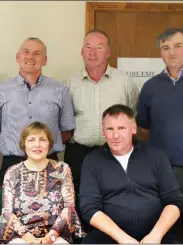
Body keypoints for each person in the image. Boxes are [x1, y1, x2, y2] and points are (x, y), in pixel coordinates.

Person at [135, 28, 183, 244]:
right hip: (161, 171)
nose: (171, 52)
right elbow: (143, 128)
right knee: (166, 231)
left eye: (177, 46)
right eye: (165, 48)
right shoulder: (151, 87)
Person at [63, 29, 139, 226]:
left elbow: (133, 114)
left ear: (108, 52)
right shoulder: (70, 83)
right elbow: (63, 119)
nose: (92, 52)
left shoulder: (124, 82)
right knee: (79, 201)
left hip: (114, 153)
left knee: (115, 199)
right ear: (81, 52)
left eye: (99, 47)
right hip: (79, 153)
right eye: (88, 47)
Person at [80, 104, 183, 244]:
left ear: (133, 129)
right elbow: (89, 208)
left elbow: (174, 200)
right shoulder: (92, 161)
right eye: (110, 129)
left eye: (121, 128)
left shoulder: (155, 156)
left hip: (156, 233)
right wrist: (124, 239)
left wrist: (156, 236)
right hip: (110, 235)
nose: (115, 135)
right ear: (103, 131)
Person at [0, 37, 75, 185]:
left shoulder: (60, 90)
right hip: (12, 164)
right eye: (26, 52)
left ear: (45, 60)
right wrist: (15, 144)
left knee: (51, 208)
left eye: (37, 53)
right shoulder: (0, 90)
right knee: (11, 208)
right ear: (17, 57)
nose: (30, 57)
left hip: (50, 166)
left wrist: (42, 148)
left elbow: (67, 131)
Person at [0, 122, 84, 244]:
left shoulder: (62, 169)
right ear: (23, 144)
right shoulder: (12, 172)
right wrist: (29, 239)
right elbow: (7, 212)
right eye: (31, 140)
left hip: (56, 234)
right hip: (19, 235)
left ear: (49, 144)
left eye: (42, 140)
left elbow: (69, 208)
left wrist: (50, 237)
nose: (37, 145)